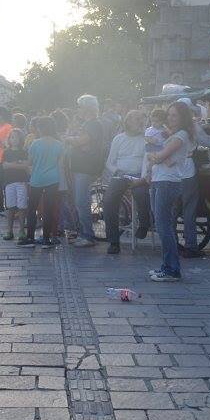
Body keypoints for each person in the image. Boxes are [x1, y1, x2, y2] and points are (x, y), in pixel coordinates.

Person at [146, 102, 197, 282]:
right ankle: (167, 266)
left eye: (174, 115)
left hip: (168, 182)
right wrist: (157, 156)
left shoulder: (181, 135)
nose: (170, 118)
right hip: (161, 180)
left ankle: (172, 269)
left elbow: (160, 157)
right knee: (162, 225)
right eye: (169, 115)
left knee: (164, 226)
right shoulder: (174, 135)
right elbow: (161, 158)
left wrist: (155, 155)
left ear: (183, 117)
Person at [98, 109, 149, 255]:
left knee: (140, 194)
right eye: (137, 120)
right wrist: (117, 171)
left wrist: (142, 178)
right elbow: (109, 162)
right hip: (120, 175)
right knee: (108, 201)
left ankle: (144, 224)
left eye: (142, 120)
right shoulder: (119, 139)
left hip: (139, 174)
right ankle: (114, 241)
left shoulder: (146, 138)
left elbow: (147, 161)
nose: (140, 123)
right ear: (128, 122)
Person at [64, 95, 106, 249]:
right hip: (80, 167)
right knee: (79, 201)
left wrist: (70, 139)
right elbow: (80, 143)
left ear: (87, 108)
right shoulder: (88, 124)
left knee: (82, 201)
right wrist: (75, 141)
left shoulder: (93, 124)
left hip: (86, 168)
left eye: (79, 106)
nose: (77, 109)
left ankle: (87, 235)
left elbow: (81, 142)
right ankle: (82, 232)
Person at [20, 116, 65, 248]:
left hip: (37, 179)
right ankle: (46, 239)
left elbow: (30, 162)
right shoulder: (59, 144)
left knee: (32, 208)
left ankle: (30, 238)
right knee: (49, 209)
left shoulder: (35, 143)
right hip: (53, 179)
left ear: (40, 128)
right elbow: (60, 164)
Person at [1, 129, 30, 241]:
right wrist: (17, 163)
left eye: (16, 137)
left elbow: (25, 166)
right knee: (10, 207)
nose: (14, 140)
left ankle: (22, 230)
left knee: (22, 206)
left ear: (21, 139)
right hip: (9, 182)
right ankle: (9, 230)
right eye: (12, 137)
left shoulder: (24, 151)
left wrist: (11, 164)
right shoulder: (6, 152)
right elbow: (4, 166)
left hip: (21, 182)